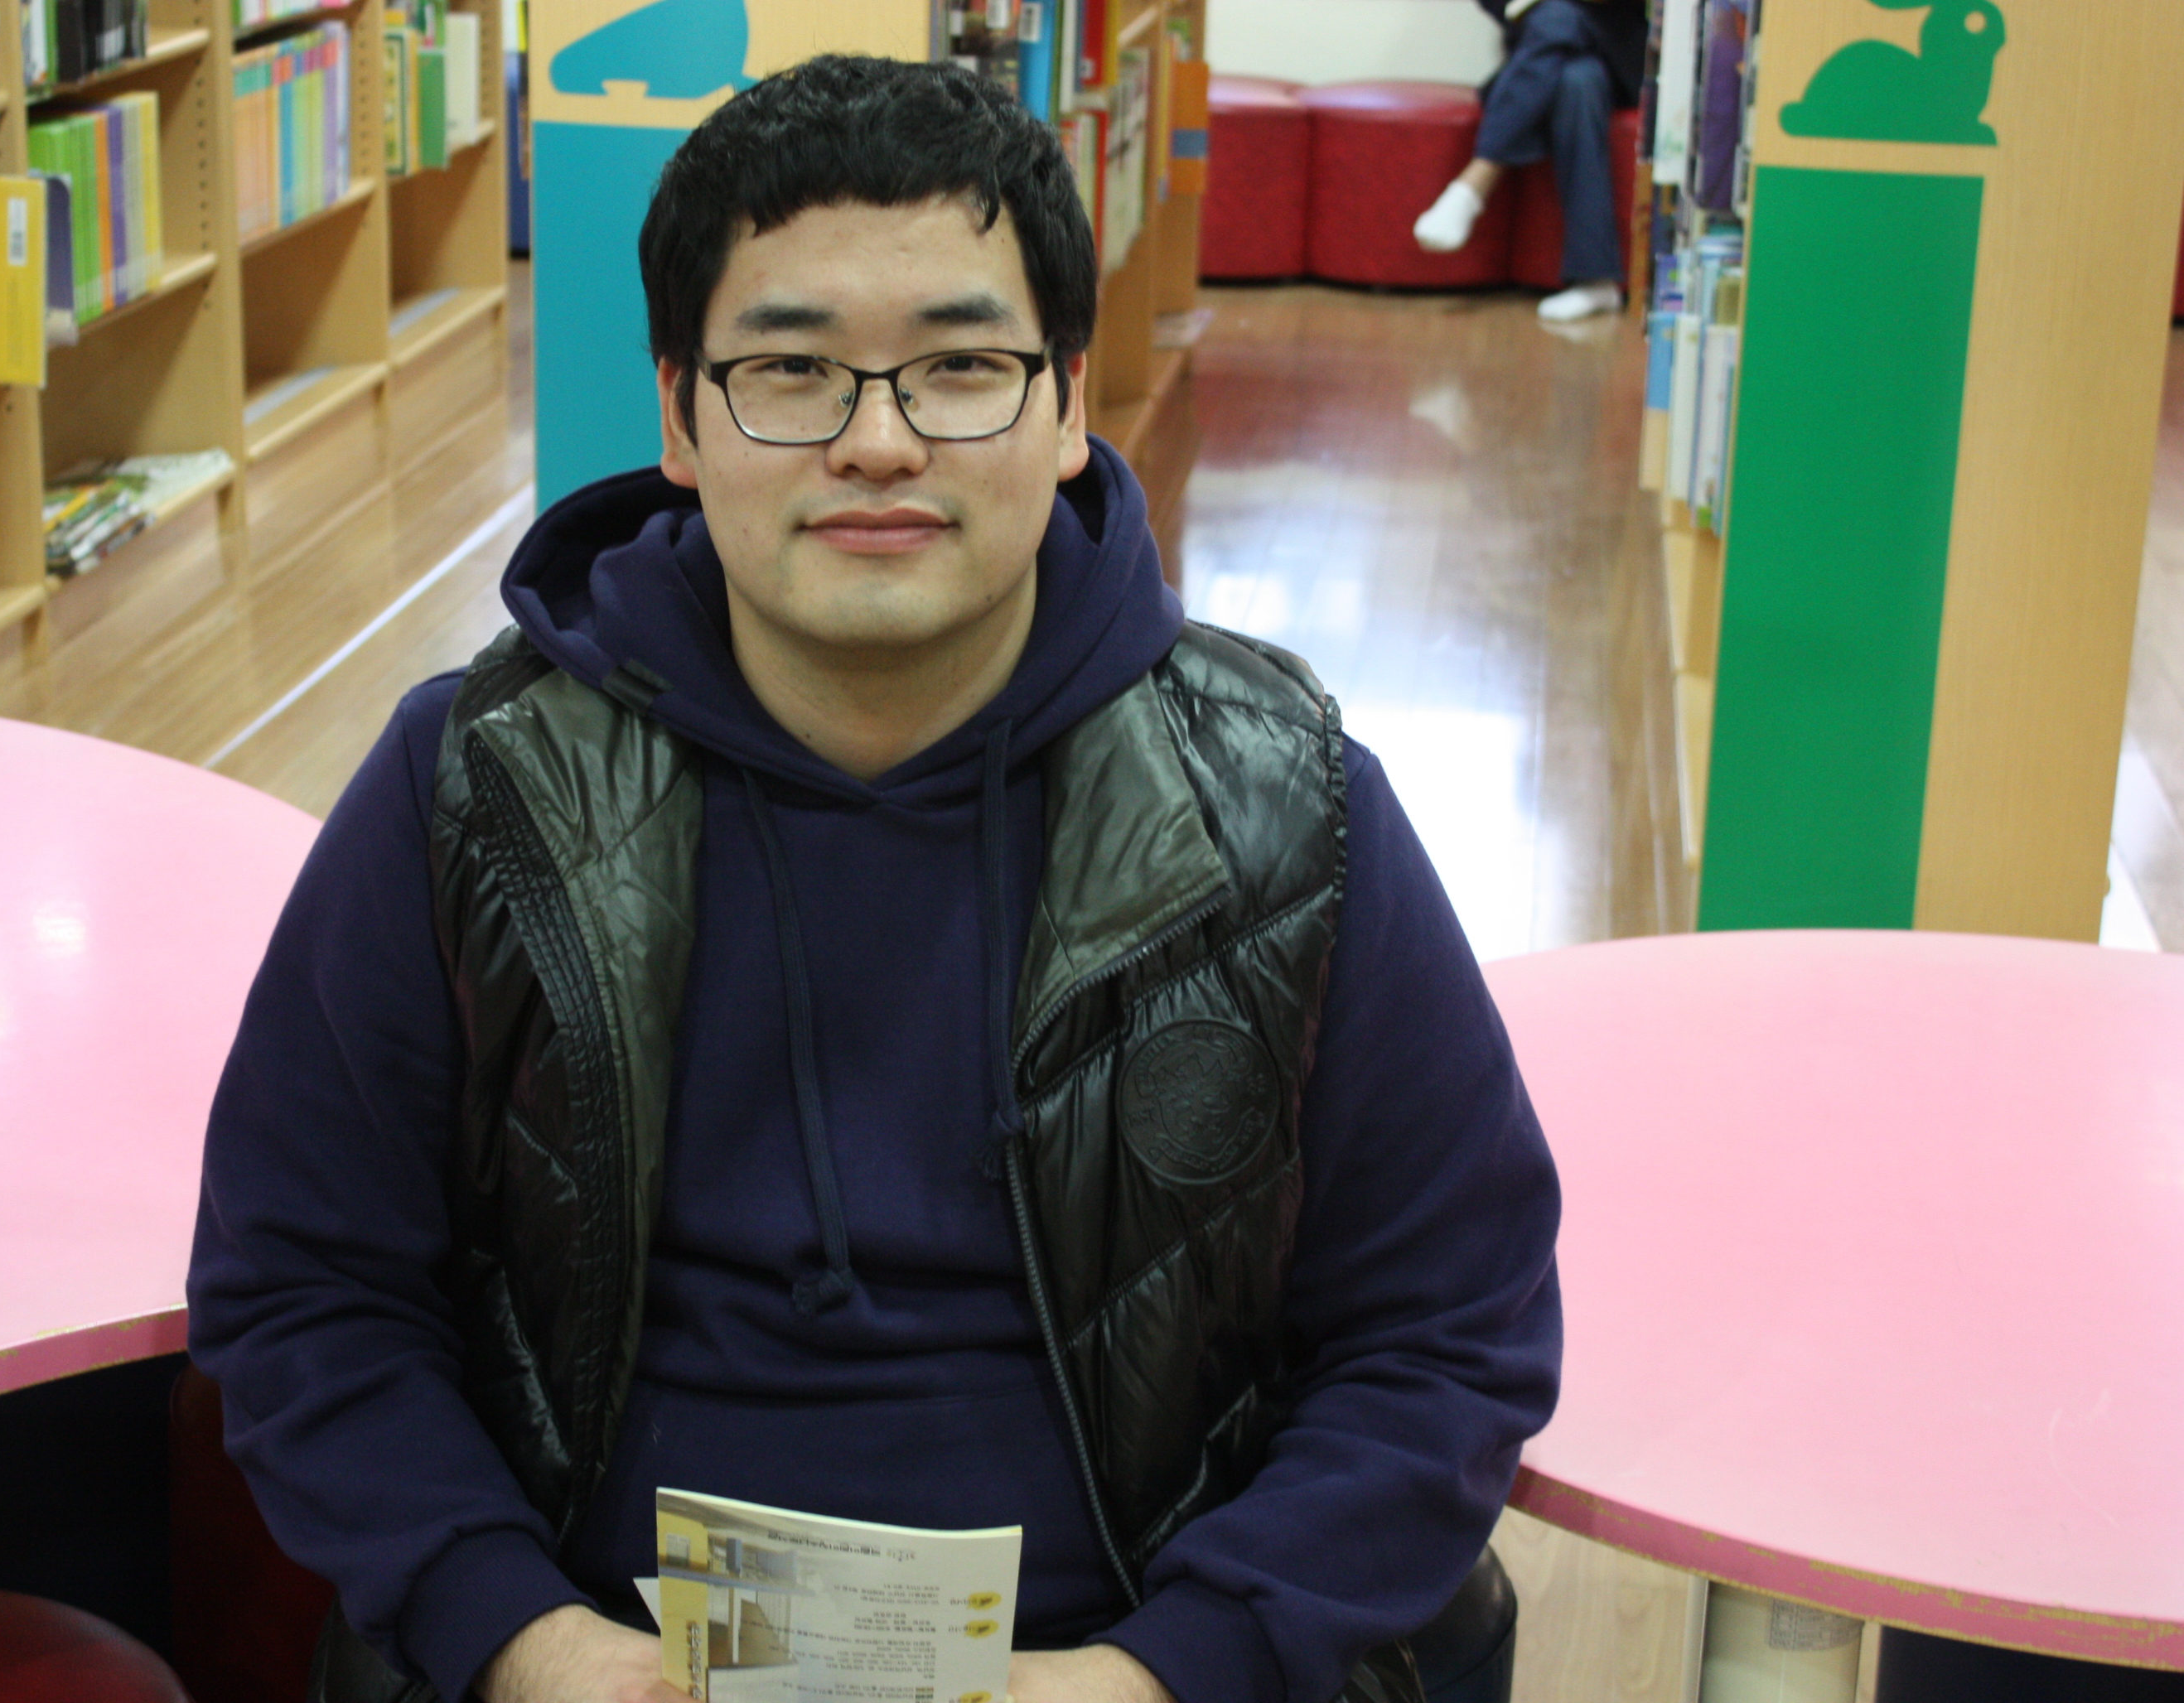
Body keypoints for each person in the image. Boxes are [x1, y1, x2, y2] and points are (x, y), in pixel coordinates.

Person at [189, 54, 1560, 1703]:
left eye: (960, 367)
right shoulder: (476, 784)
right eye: (790, 370)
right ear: (680, 416)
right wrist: (526, 1641)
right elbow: (305, 1281)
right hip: (596, 1649)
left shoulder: (1283, 806)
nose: (878, 442)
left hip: (1122, 1653)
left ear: (1065, 404)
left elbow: (1445, 1325)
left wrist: (1160, 1671)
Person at [1413, 0, 1650, 323]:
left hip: (1620, 49)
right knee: (1577, 81)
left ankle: (1476, 180)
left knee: (1559, 17)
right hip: (1550, 48)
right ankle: (1595, 280)